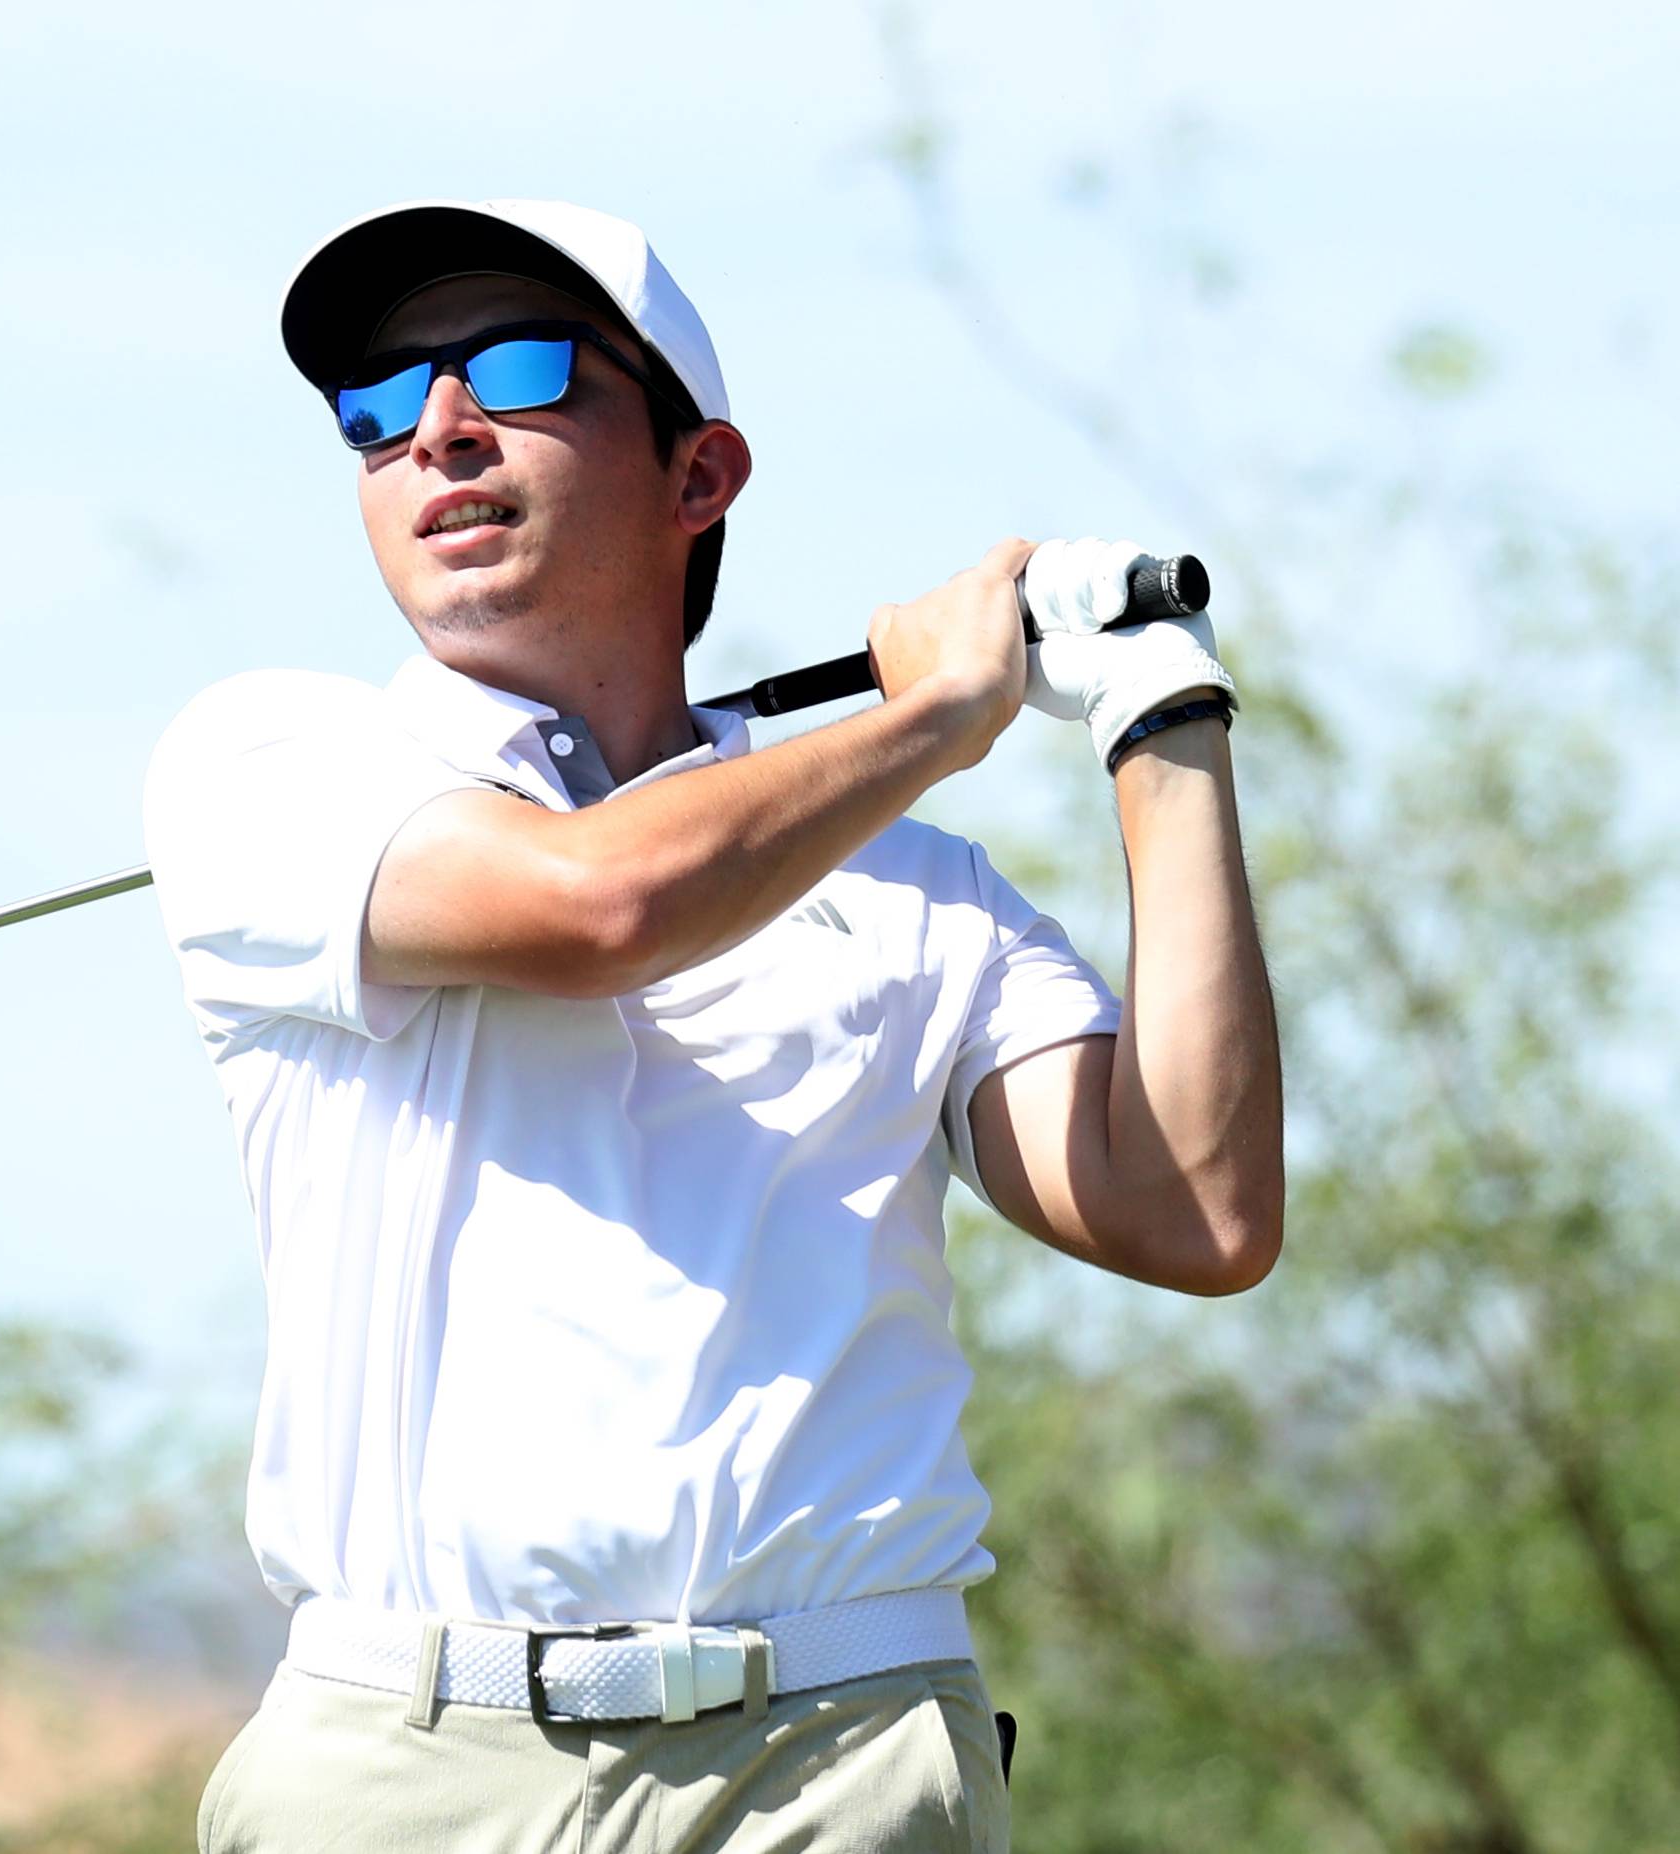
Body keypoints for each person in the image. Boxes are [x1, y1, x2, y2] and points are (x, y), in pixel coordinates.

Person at [143, 198, 1283, 1854]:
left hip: (838, 1760)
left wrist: (1164, 720)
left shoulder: (919, 893)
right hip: (403, 1763)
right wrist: (936, 719)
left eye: (514, 370)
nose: (438, 431)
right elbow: (595, 908)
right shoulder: (270, 764)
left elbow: (1197, 1207)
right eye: (377, 410)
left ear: (700, 477)